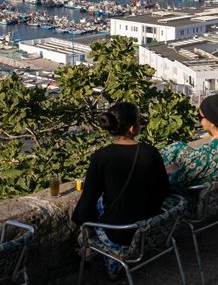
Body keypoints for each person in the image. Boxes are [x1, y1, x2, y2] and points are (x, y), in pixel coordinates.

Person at [72, 102, 169, 280]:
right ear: (133, 128)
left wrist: (82, 223)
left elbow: (89, 198)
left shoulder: (101, 157)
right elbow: (164, 189)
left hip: (117, 232)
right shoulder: (151, 153)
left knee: (92, 211)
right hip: (149, 227)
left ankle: (99, 253)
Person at [161, 94, 218, 188]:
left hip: (197, 198)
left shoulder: (206, 153)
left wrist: (172, 170)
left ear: (212, 121)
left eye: (200, 117)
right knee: (179, 147)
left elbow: (175, 182)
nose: (199, 121)